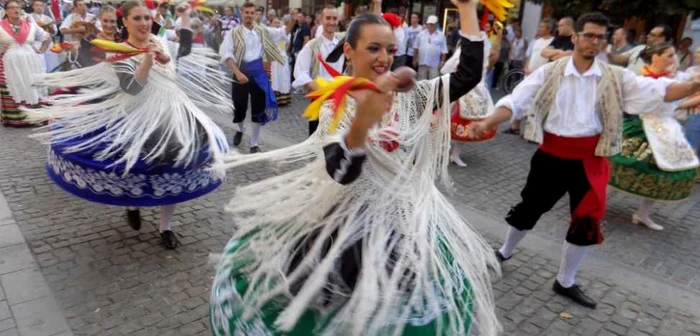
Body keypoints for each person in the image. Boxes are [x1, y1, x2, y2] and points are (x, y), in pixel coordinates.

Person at [210, 0, 501, 335]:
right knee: (324, 299)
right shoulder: (336, 102)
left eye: (390, 49)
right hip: (347, 218)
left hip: (400, 217)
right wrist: (364, 121)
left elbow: (467, 76)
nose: (384, 57)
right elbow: (342, 172)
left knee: (394, 303)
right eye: (373, 48)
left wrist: (466, 8)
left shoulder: (413, 95)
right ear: (349, 51)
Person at [468, 12, 700, 309]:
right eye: (588, 35)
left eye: (600, 37)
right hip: (551, 155)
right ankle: (504, 251)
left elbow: (660, 91)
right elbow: (516, 101)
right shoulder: (550, 72)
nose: (594, 41)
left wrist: (693, 86)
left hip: (590, 160)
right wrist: (489, 120)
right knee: (530, 208)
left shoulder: (616, 77)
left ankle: (565, 280)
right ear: (575, 37)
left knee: (586, 221)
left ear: (605, 41)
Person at [27, 2, 231, 250]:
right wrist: (146, 59)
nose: (144, 23)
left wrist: (184, 19)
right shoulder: (119, 52)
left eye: (146, 17)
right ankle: (133, 205)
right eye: (137, 18)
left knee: (179, 166)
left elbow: (184, 48)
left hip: (174, 110)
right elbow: (131, 88)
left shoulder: (159, 40)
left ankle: (165, 226)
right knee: (137, 167)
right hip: (139, 116)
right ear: (125, 22)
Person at [608, 43, 699, 230]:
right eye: (669, 55)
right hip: (639, 126)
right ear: (655, 57)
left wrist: (681, 101)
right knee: (618, 166)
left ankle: (643, 213)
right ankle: (593, 205)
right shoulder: (642, 78)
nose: (673, 59)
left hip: (665, 130)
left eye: (673, 55)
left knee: (661, 172)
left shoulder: (677, 77)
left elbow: (688, 87)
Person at [219, 2, 287, 153]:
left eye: (252, 13)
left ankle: (254, 143)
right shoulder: (234, 33)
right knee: (239, 108)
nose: (249, 15)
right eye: (247, 13)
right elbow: (226, 54)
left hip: (258, 74)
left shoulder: (262, 30)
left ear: (256, 14)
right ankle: (240, 128)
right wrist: (237, 72)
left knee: (258, 109)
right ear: (242, 14)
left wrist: (292, 20)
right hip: (240, 71)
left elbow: (281, 32)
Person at [442, 29, 496, 167]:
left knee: (465, 126)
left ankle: (454, 154)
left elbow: (449, 67)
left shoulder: (481, 46)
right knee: (447, 124)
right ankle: (442, 152)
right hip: (462, 91)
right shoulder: (469, 47)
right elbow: (451, 66)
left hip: (476, 92)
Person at [292, 5, 343, 136]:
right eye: (328, 18)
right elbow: (300, 71)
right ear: (321, 20)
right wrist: (319, 89)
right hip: (319, 97)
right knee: (317, 140)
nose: (331, 22)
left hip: (340, 98)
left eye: (334, 18)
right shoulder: (312, 45)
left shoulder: (344, 45)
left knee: (337, 139)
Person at [0, 0, 50, 127]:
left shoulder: (30, 24)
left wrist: (42, 50)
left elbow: (46, 37)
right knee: (14, 86)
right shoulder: (0, 26)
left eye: (17, 7)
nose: (15, 10)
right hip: (9, 62)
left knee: (34, 85)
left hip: (31, 61)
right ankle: (18, 119)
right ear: (6, 11)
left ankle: (38, 116)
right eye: (11, 8)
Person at [608, 24, 673, 75]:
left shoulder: (668, 55)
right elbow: (621, 59)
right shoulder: (640, 47)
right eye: (649, 33)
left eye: (652, 35)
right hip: (626, 84)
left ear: (662, 38)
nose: (648, 36)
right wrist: (608, 52)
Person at [683, 47, 700, 183]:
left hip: (696, 111)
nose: (696, 55)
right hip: (691, 110)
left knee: (691, 142)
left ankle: (687, 172)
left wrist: (680, 105)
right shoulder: (690, 71)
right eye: (696, 52)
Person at [412, 14, 447, 80]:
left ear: (436, 25)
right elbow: (416, 47)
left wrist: (442, 62)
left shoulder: (441, 36)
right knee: (421, 82)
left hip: (434, 64)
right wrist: (414, 59)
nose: (429, 26)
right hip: (422, 63)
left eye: (432, 24)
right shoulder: (421, 34)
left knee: (433, 82)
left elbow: (444, 50)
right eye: (428, 24)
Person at [30, 0, 59, 72]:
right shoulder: (29, 17)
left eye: (40, 5)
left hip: (48, 43)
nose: (39, 7)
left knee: (51, 64)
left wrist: (50, 28)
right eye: (36, 5)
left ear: (43, 7)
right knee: (39, 64)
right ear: (33, 7)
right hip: (37, 43)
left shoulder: (48, 18)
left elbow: (55, 32)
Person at [269, 17, 291, 106]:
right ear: (271, 24)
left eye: (278, 23)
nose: (277, 24)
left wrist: (283, 51)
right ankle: (274, 97)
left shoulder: (284, 33)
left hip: (282, 56)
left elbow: (287, 43)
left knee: (283, 77)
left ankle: (283, 98)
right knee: (274, 77)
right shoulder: (270, 32)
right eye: (275, 23)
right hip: (273, 58)